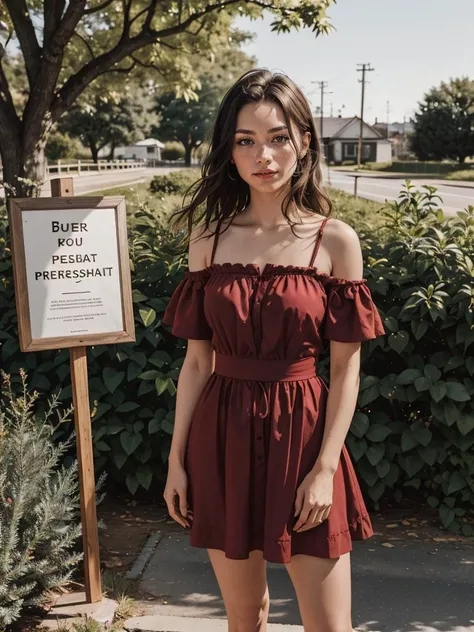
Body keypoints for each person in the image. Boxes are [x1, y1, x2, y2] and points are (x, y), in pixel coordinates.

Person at [162, 68, 385, 632]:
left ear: (305, 142)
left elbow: (346, 369)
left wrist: (324, 467)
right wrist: (176, 459)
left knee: (329, 625)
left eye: (279, 137)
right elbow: (196, 362)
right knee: (245, 617)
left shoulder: (334, 240)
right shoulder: (207, 238)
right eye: (246, 141)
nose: (264, 155)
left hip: (306, 440)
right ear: (229, 152)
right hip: (221, 438)